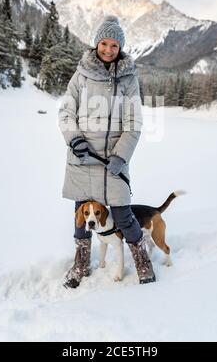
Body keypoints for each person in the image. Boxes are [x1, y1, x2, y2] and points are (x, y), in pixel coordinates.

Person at [58, 15, 155, 288]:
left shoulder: (129, 79)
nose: (109, 49)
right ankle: (80, 263)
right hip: (83, 159)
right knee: (81, 215)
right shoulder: (81, 75)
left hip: (114, 162)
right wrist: (74, 139)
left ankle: (142, 260)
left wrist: (121, 156)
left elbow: (134, 122)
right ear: (96, 43)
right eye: (104, 43)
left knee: (123, 215)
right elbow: (66, 112)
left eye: (114, 45)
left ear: (120, 47)